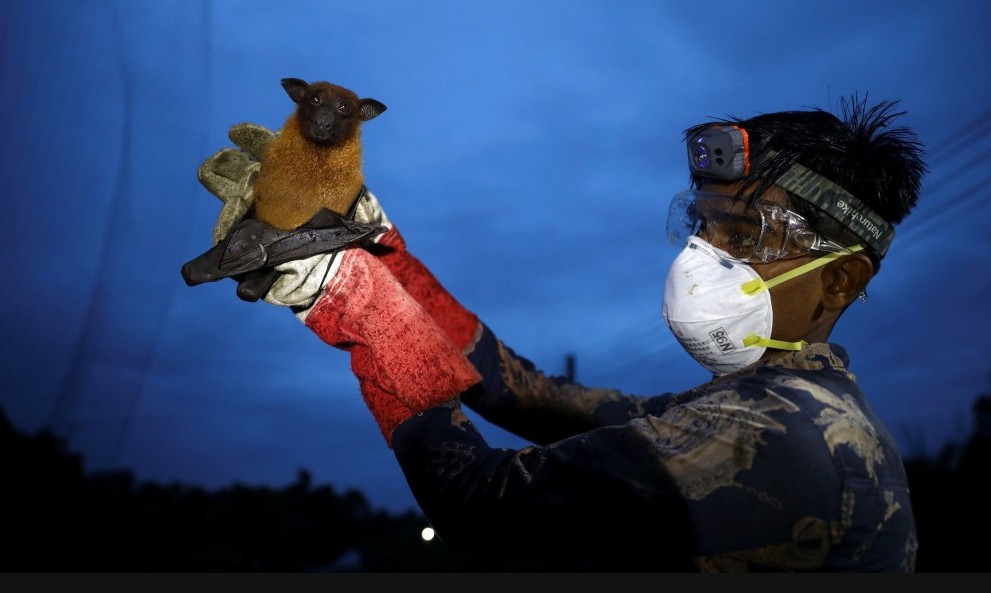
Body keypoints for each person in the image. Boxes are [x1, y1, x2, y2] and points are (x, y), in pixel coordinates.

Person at [187, 94, 926, 571]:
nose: (703, 255)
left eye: (745, 233)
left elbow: (486, 505)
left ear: (839, 280)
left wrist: (352, 302)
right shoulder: (770, 407)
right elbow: (525, 394)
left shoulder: (783, 438)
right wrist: (383, 252)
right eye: (702, 224)